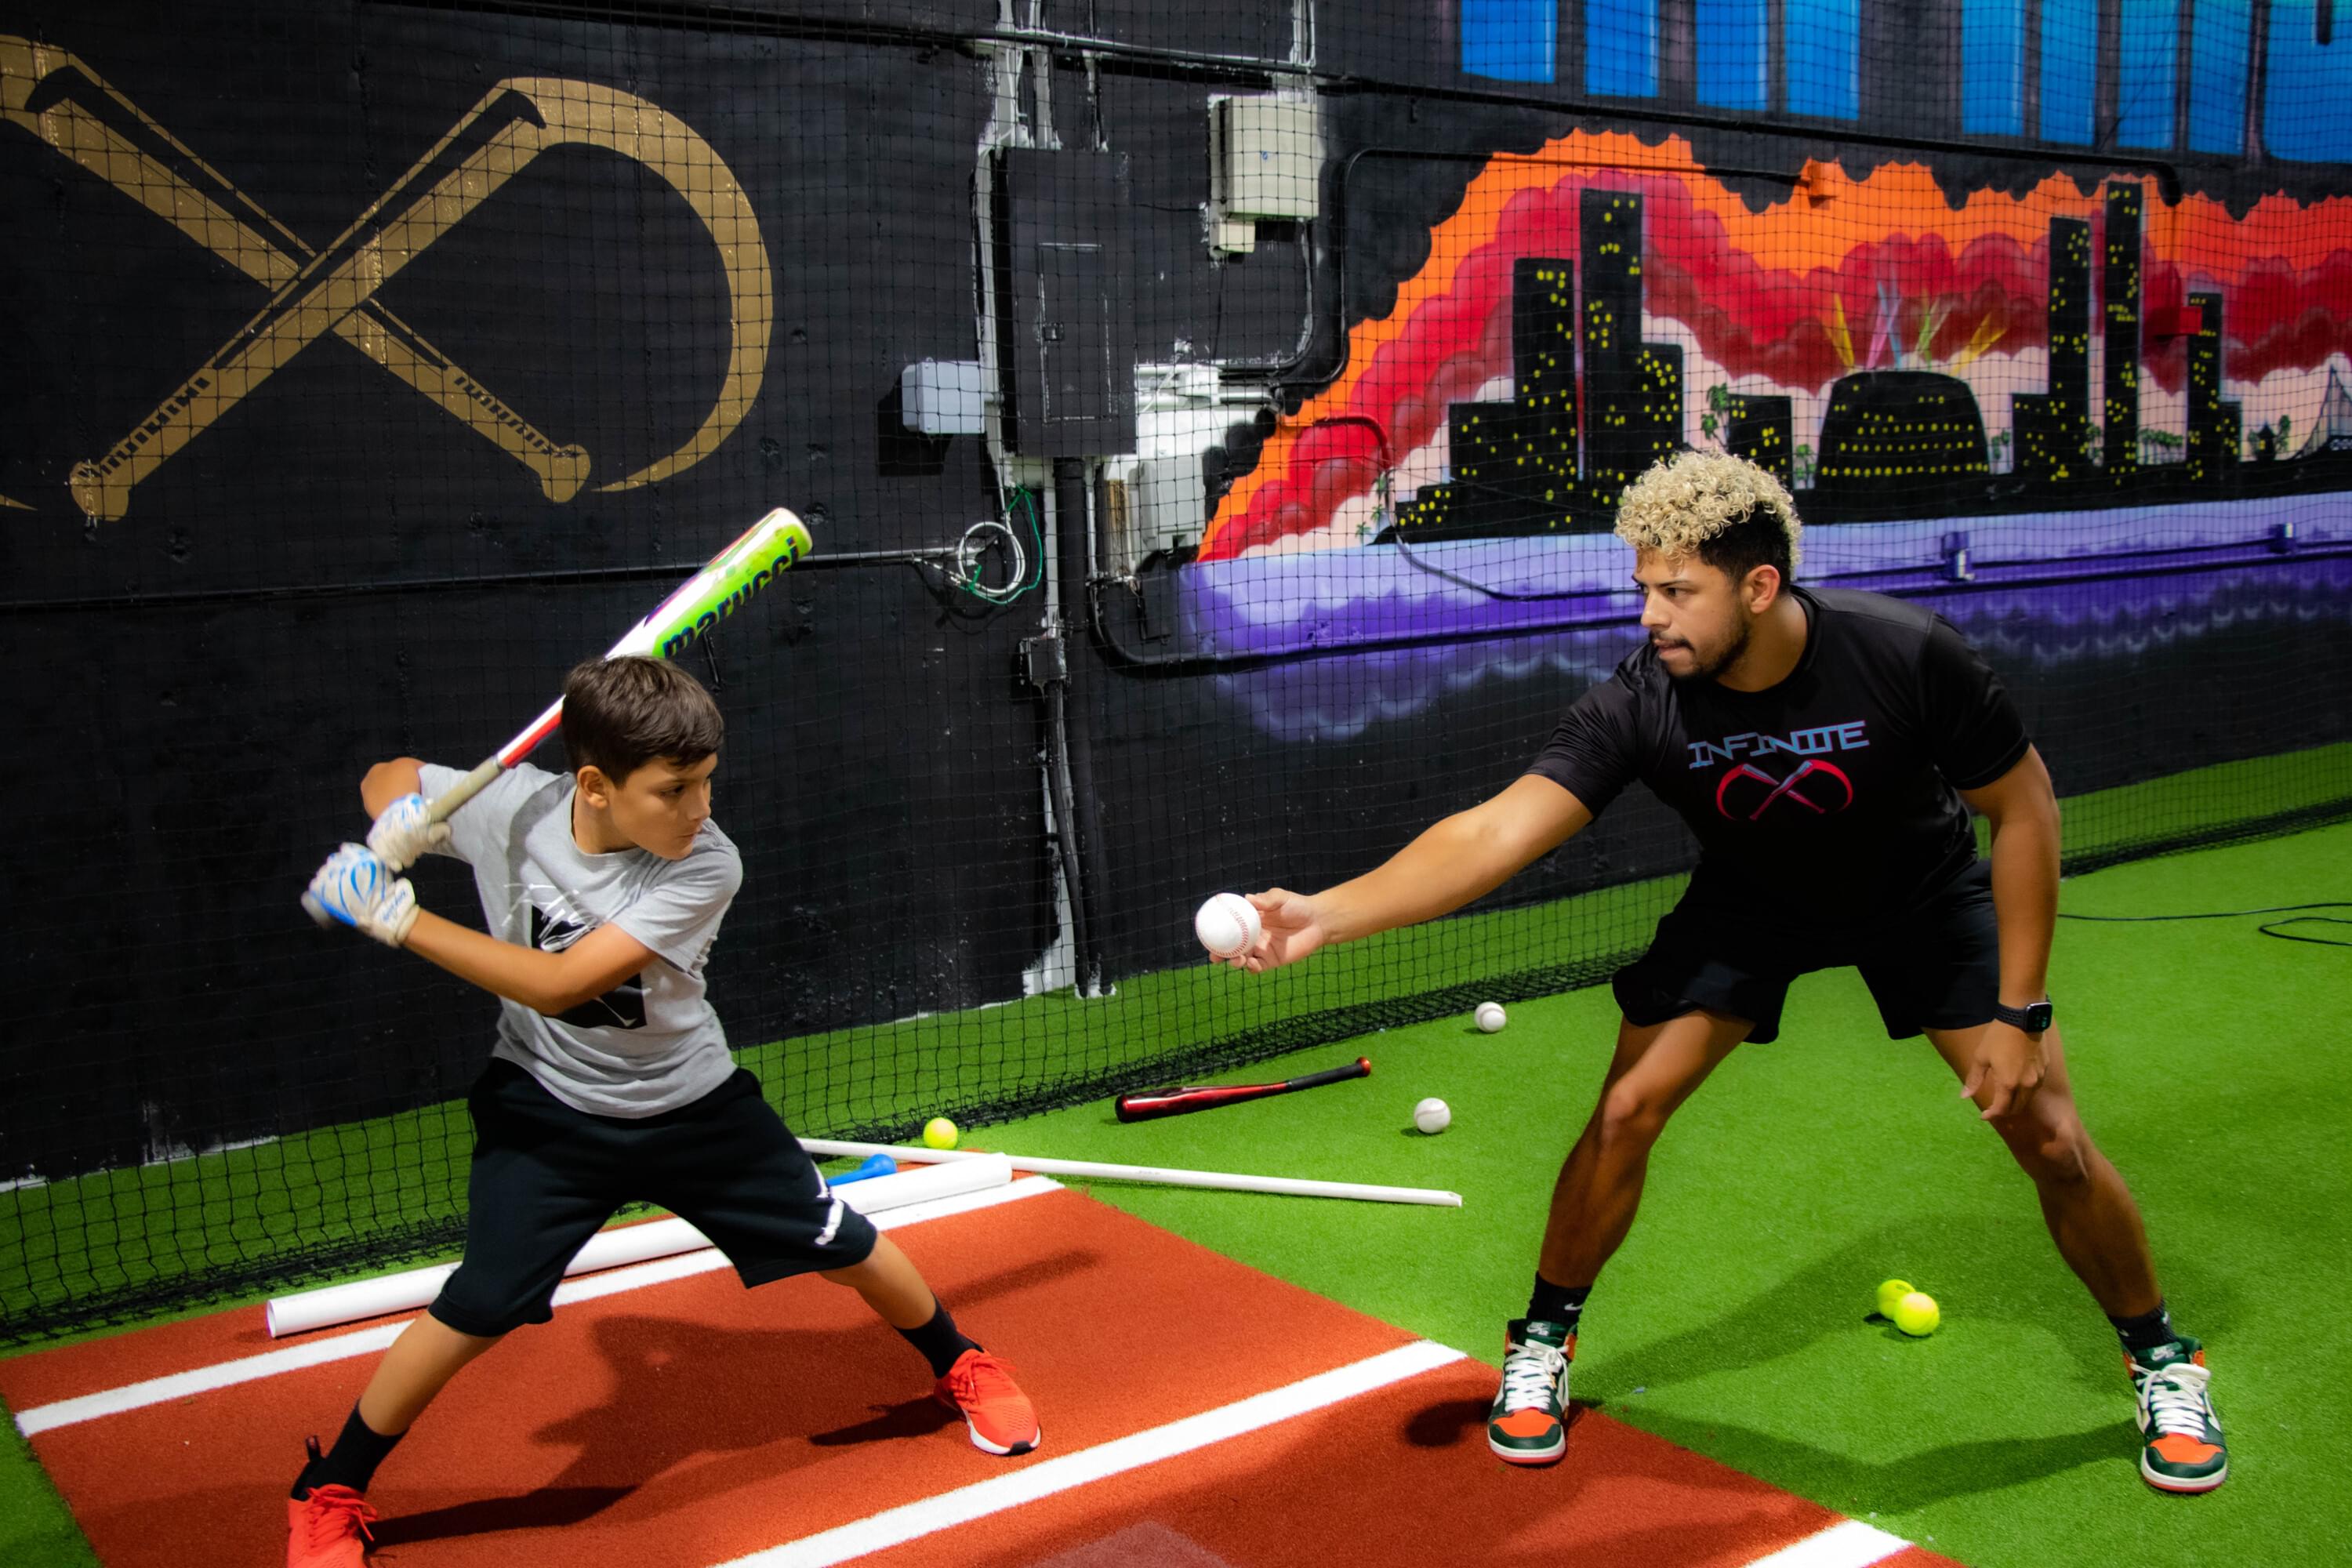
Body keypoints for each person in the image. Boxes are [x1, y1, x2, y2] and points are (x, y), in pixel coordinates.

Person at [1226, 451, 2225, 1495]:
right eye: (1644, 588)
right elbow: (1493, 832)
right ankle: (1544, 1340)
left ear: (1758, 585)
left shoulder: (1904, 653)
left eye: (1677, 591)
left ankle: (2162, 1356)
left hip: (1921, 896)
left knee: (2051, 1135)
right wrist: (1326, 914)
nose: (1650, 615)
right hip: (1753, 902)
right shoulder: (1643, 699)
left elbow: (2024, 809)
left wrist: (2022, 1009)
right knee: (1625, 1112)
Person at [289, 655, 1040, 1568]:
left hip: (691, 1102)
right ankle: (328, 1487)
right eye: (675, 789)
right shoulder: (510, 808)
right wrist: (404, 817)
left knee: (842, 1240)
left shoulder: (707, 863)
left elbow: (563, 982)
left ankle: (959, 1359)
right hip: (549, 1106)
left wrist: (399, 917)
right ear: (595, 786)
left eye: (708, 781)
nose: (700, 808)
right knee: (480, 1300)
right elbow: (389, 774)